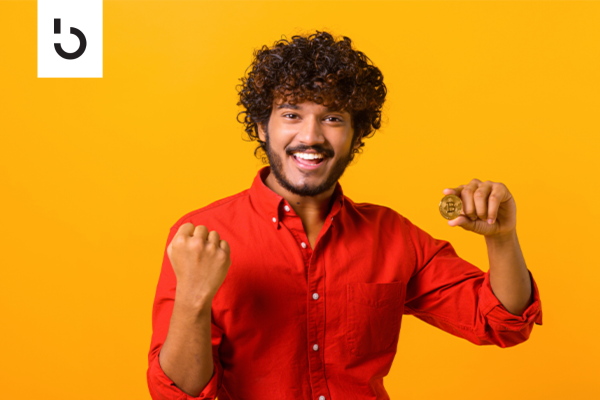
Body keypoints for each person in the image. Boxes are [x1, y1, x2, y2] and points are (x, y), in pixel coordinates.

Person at [146, 31, 543, 400]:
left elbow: (502, 323)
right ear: (262, 127)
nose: (311, 136)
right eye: (291, 114)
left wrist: (502, 237)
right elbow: (176, 393)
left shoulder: (393, 236)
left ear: (357, 134)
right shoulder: (202, 236)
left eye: (333, 118)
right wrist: (193, 300)